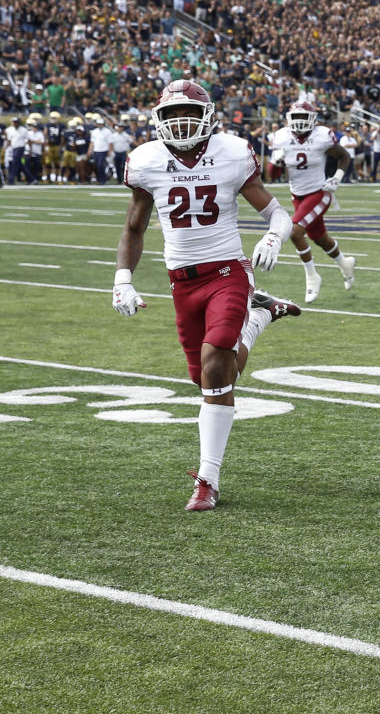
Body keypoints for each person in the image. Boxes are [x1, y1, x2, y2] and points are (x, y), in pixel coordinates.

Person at [112, 80, 301, 511]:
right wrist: (123, 278)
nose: (180, 124)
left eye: (188, 115)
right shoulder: (146, 161)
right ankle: (259, 318)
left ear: (208, 117)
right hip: (182, 281)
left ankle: (207, 480)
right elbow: (134, 229)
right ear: (159, 120)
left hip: (228, 272)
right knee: (211, 378)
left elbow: (277, 213)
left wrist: (273, 238)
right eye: (172, 115)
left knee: (216, 358)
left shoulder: (232, 153)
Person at [269, 100, 356, 302]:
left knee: (295, 231)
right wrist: (275, 161)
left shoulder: (322, 136)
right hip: (297, 195)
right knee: (319, 237)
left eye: (303, 117)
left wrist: (337, 177)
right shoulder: (281, 137)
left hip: (319, 192)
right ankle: (345, 263)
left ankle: (312, 275)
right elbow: (271, 175)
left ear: (313, 119)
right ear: (289, 119)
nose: (299, 121)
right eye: (296, 116)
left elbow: (344, 157)